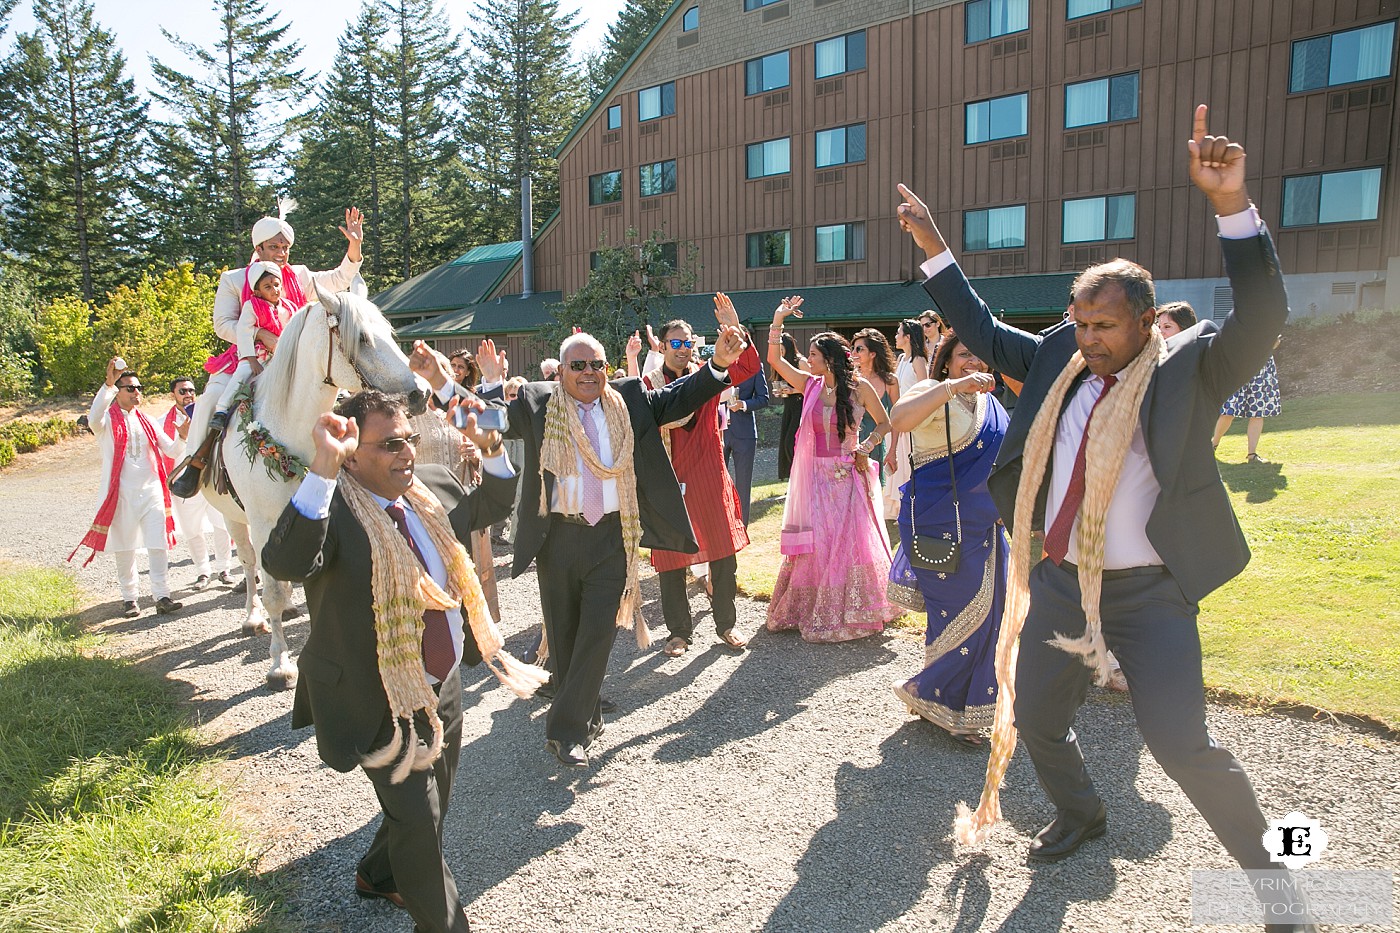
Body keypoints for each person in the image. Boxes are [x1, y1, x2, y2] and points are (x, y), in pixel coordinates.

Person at [896, 106, 1313, 932]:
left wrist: (1233, 206)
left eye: (1104, 326)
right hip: (1058, 582)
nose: (1088, 340)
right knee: (1039, 719)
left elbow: (1263, 318)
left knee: (1183, 745)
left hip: (1149, 593)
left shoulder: (1191, 367)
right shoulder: (1056, 356)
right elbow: (979, 327)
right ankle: (1083, 814)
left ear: (1148, 322)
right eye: (1080, 324)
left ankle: (1285, 879)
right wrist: (934, 245)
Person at [261, 389, 539, 932]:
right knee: (419, 819)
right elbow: (287, 561)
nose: (407, 452)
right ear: (351, 450)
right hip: (378, 694)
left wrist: (492, 451)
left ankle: (378, 873)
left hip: (444, 680)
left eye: (409, 439)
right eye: (390, 444)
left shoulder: (429, 489)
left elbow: (492, 504)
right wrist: (322, 466)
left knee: (432, 804)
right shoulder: (329, 506)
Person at [470, 316, 749, 768]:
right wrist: (486, 382)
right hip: (558, 536)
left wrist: (718, 363)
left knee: (599, 630)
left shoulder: (628, 400)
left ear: (607, 367)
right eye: (577, 364)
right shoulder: (539, 402)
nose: (588, 372)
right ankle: (585, 707)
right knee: (563, 635)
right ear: (561, 372)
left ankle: (567, 732)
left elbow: (682, 395)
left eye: (596, 363)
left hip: (611, 536)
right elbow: (488, 423)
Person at [171, 206, 365, 498]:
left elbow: (338, 280)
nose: (281, 252)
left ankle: (356, 459)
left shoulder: (299, 275)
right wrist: (259, 334)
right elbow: (222, 325)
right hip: (246, 358)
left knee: (344, 393)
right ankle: (197, 463)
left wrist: (354, 246)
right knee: (212, 397)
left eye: (285, 247)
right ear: (258, 247)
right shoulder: (234, 279)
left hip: (297, 363)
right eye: (274, 246)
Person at [886, 335, 1007, 745]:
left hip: (984, 524)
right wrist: (953, 388)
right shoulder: (932, 390)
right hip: (939, 522)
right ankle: (937, 698)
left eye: (976, 352)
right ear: (947, 361)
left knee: (989, 614)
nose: (971, 359)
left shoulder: (992, 404)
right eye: (962, 353)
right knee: (960, 614)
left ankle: (945, 700)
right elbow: (899, 419)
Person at [628, 299, 761, 657]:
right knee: (671, 559)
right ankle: (679, 633)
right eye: (675, 342)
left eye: (688, 342)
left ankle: (726, 625)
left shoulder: (709, 372)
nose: (683, 348)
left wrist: (736, 330)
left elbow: (747, 367)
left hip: (708, 473)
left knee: (722, 554)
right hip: (669, 478)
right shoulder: (648, 384)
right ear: (662, 347)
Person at [765, 300, 900, 642]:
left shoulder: (860, 388)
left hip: (846, 476)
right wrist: (778, 320)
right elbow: (774, 360)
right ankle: (811, 605)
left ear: (828, 358)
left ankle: (850, 606)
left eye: (812, 355)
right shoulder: (809, 384)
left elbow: (885, 423)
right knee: (818, 541)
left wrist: (865, 448)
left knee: (847, 541)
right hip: (814, 477)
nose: (808, 360)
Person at [69, 360, 185, 617]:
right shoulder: (106, 423)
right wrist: (108, 384)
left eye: (139, 388)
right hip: (121, 494)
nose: (136, 393)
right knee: (125, 547)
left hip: (152, 490)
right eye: (130, 388)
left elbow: (172, 450)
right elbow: (93, 417)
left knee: (158, 545)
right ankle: (130, 598)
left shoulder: (148, 421)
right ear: (118, 392)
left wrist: (183, 436)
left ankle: (162, 596)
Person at [203, 261, 296, 432]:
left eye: (276, 285)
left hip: (281, 354)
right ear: (258, 291)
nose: (274, 290)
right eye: (267, 287)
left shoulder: (290, 307)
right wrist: (251, 359)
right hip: (257, 353)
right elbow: (244, 332)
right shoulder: (252, 306)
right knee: (242, 374)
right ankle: (221, 410)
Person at [160, 377, 234, 589]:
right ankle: (202, 571)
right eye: (182, 391)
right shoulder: (162, 423)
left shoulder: (206, 414)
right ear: (172, 395)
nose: (188, 395)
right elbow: (167, 452)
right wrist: (181, 437)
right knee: (192, 530)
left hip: (209, 477)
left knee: (221, 524)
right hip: (185, 481)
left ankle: (224, 568)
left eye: (192, 390)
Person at [885, 319, 931, 525]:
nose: (895, 336)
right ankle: (898, 506)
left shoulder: (918, 360)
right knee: (899, 460)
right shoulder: (902, 359)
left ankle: (913, 505)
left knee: (911, 463)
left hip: (913, 419)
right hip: (898, 416)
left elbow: (926, 391)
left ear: (908, 337)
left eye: (898, 332)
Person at [722, 326, 769, 527]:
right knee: (717, 482)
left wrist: (744, 405)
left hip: (744, 432)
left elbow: (764, 398)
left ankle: (742, 526)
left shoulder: (755, 366)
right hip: (719, 430)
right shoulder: (717, 364)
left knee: (743, 483)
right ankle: (720, 524)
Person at [1212, 340, 1282, 463]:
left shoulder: (1268, 323)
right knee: (1229, 410)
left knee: (1258, 412)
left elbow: (1275, 342)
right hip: (1240, 365)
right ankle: (1212, 445)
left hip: (1262, 367)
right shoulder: (1242, 323)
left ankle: (1252, 454)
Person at [852, 327, 901, 483]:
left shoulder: (890, 381)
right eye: (852, 348)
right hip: (851, 444)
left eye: (859, 349)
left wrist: (893, 450)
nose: (854, 353)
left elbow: (895, 420)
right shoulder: (849, 381)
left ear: (872, 354)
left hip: (877, 445)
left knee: (873, 493)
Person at [772, 332, 804, 481]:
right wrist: (780, 391)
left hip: (801, 406)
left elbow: (813, 386)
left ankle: (799, 478)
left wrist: (793, 390)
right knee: (786, 445)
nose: (779, 353)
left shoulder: (800, 362)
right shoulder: (780, 363)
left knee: (791, 442)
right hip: (789, 407)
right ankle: (792, 479)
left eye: (781, 349)